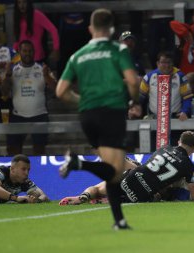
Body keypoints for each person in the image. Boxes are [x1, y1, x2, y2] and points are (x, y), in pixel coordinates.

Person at [56, 8, 140, 230]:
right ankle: (78, 163)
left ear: (90, 29)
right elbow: (133, 81)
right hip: (111, 113)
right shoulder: (117, 49)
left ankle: (119, 221)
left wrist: (81, 101)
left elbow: (61, 91)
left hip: (88, 116)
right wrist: (133, 101)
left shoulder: (78, 55)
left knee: (111, 171)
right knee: (115, 170)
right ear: (111, 29)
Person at [59, 156, 194, 205]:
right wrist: (82, 198)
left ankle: (98, 200)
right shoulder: (121, 177)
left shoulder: (136, 171)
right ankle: (98, 201)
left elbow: (95, 189)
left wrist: (82, 198)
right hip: (149, 190)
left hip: (149, 187)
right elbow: (95, 189)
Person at [1, 40, 56, 155]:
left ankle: (39, 172)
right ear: (19, 52)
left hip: (39, 115)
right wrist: (7, 75)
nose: (28, 53)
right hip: (17, 116)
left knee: (39, 150)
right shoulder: (13, 69)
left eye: (30, 51)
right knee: (13, 150)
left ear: (34, 52)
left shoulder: (42, 68)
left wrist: (46, 76)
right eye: (24, 51)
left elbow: (55, 88)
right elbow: (4, 92)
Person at [0, 29, 20, 155]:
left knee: (11, 134)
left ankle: (11, 160)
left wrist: (10, 67)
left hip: (8, 96)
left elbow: (19, 62)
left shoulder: (7, 51)